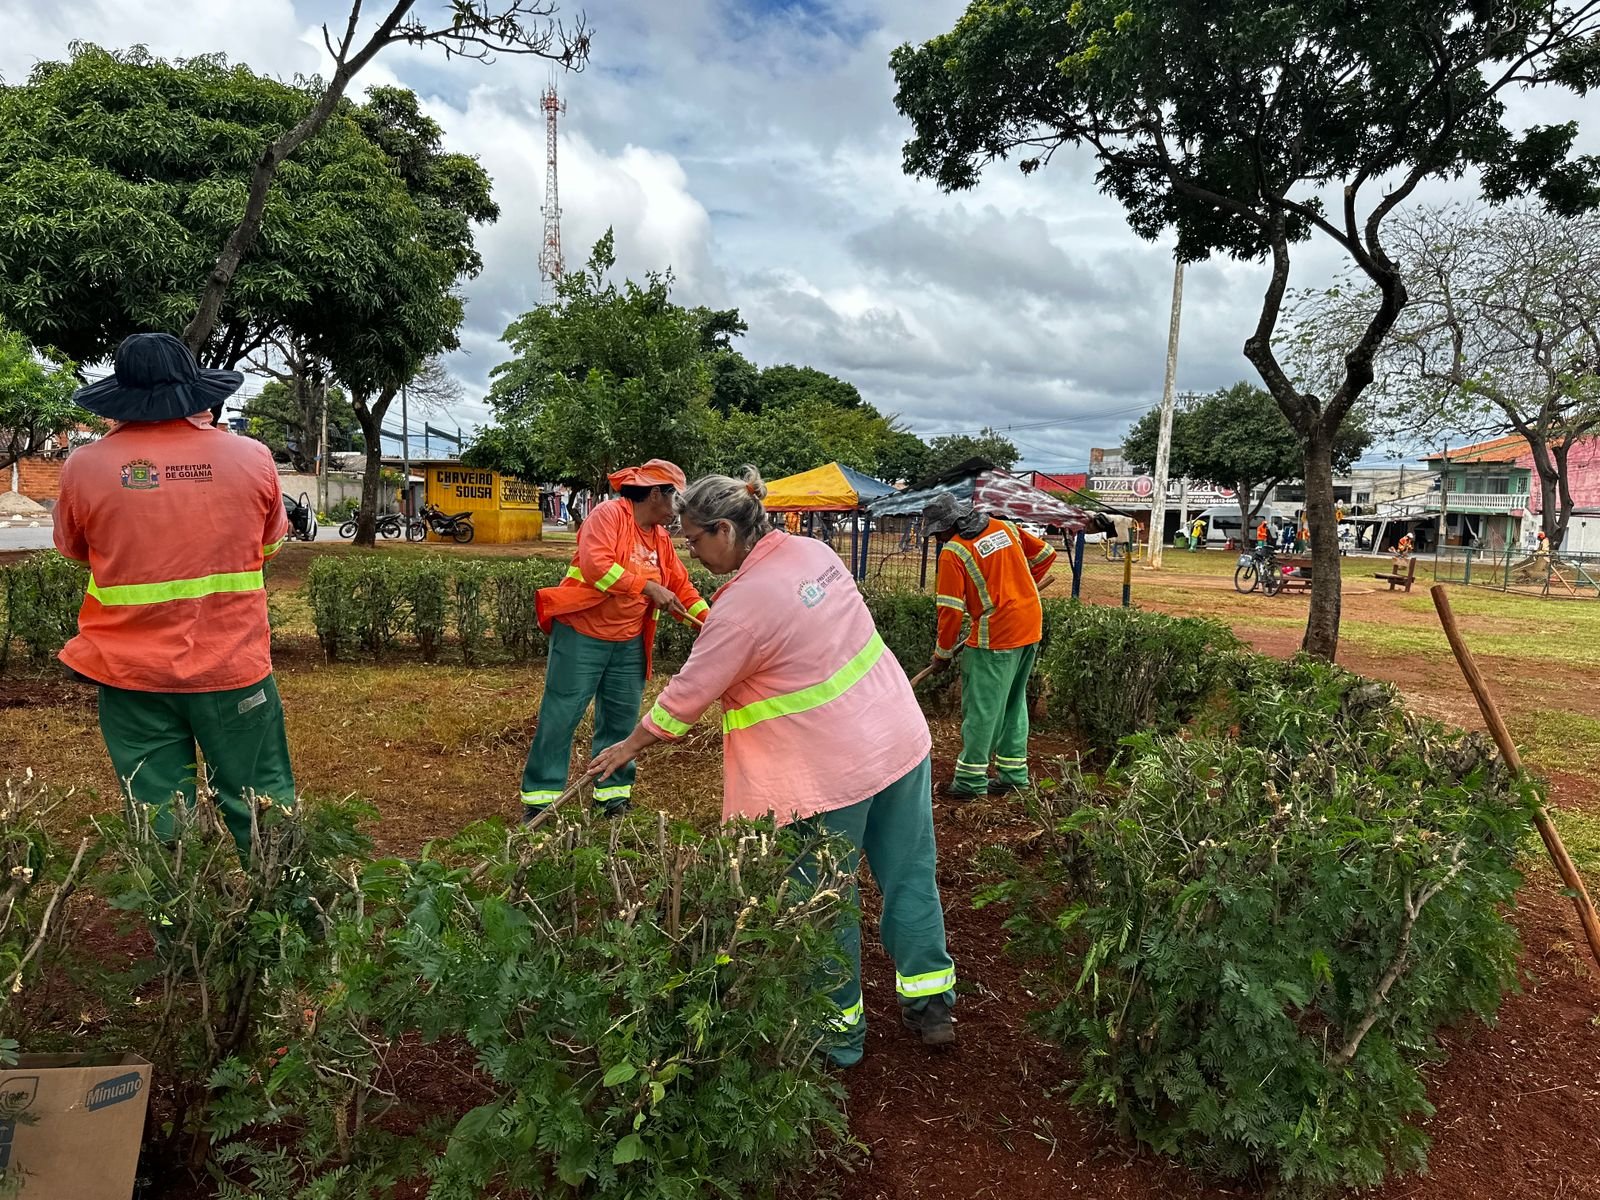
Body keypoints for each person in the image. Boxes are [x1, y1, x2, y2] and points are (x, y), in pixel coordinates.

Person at [588, 469, 957, 1065]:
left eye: (694, 541)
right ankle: (931, 1003)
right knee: (910, 877)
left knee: (822, 901)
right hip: (898, 741)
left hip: (828, 775)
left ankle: (837, 1037)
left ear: (726, 530)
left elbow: (689, 693)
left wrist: (628, 746)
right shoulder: (813, 553)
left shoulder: (742, 606)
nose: (690, 552)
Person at [52, 333, 294, 853]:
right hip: (232, 668)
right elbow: (268, 546)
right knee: (262, 801)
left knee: (159, 813)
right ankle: (284, 919)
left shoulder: (83, 467)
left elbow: (76, 551)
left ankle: (175, 925)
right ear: (198, 393)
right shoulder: (252, 458)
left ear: (121, 397)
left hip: (131, 676)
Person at [521, 460, 708, 819]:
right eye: (676, 500)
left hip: (629, 643)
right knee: (561, 716)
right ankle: (540, 800)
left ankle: (613, 795)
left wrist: (711, 623)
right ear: (655, 493)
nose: (678, 511)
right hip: (582, 636)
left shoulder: (661, 539)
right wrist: (647, 586)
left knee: (621, 721)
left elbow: (681, 587)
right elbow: (596, 566)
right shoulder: (609, 516)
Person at [923, 493, 1055, 799]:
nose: (939, 538)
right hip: (1030, 624)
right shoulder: (1004, 527)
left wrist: (942, 653)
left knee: (982, 709)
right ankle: (1013, 775)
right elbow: (1046, 554)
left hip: (996, 636)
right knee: (1012, 701)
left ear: (948, 526)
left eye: (938, 532)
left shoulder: (954, 552)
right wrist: (1017, 585)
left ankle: (970, 781)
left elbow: (950, 610)